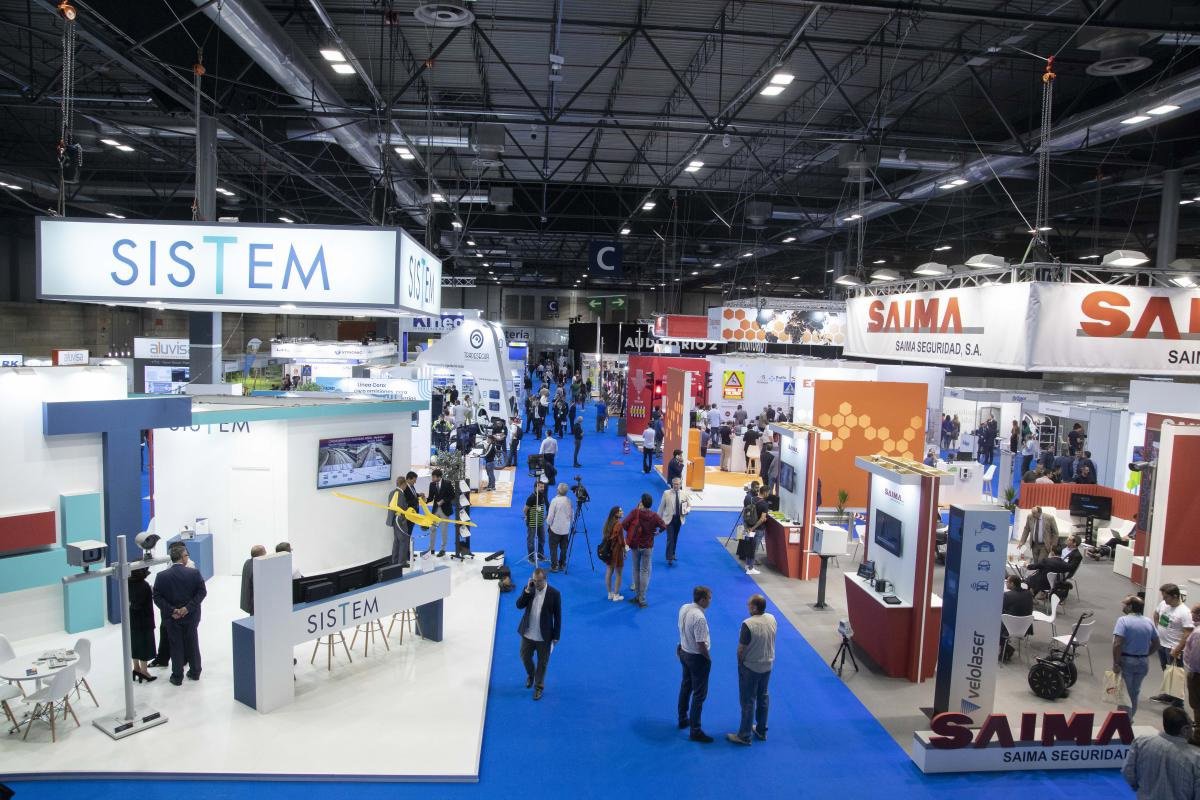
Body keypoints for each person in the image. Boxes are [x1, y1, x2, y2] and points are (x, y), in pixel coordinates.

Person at [152, 543, 207, 686]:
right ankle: (195, 672)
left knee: (175, 646)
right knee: (192, 643)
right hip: (191, 616)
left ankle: (177, 677)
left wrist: (172, 611)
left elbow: (157, 597)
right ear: (182, 557)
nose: (187, 557)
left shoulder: (161, 576)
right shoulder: (194, 573)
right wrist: (187, 608)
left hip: (172, 619)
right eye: (186, 555)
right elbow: (202, 592)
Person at [728, 593, 776, 745]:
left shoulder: (748, 624)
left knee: (748, 701)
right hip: (767, 665)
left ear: (754, 608)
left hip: (751, 667)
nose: (747, 607)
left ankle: (744, 735)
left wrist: (740, 663)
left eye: (749, 604)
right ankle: (761, 730)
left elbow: (741, 649)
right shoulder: (772, 618)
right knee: (763, 697)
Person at [1122, 706, 1200, 799]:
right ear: (1185, 729)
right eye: (1192, 725)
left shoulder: (1141, 742)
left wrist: (1141, 790)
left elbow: (1127, 772)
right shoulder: (1195, 758)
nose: (1193, 729)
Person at [516, 568, 561, 701]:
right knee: (524, 657)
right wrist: (526, 591)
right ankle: (531, 675)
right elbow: (519, 605)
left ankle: (539, 686)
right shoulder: (529, 589)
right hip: (528, 633)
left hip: (544, 636)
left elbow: (558, 616)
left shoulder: (554, 594)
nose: (536, 584)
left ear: (545, 579)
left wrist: (556, 635)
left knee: (542, 662)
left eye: (539, 581)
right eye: (534, 581)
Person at [1113, 594, 1160, 719]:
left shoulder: (1123, 621)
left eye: (1125, 604)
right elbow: (1157, 643)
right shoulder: (1148, 622)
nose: (1123, 606)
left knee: (1124, 693)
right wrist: (1145, 654)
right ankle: (1129, 719)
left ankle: (1123, 722)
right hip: (1143, 662)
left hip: (1127, 661)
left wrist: (1116, 663)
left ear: (1130, 607)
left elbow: (1117, 643)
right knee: (1134, 692)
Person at [678, 585, 713, 743]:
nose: (711, 601)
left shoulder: (684, 607)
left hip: (684, 652)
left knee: (686, 687)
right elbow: (701, 644)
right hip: (697, 658)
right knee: (699, 694)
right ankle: (695, 730)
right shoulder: (699, 618)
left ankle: (682, 718)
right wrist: (708, 658)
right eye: (709, 598)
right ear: (703, 599)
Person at [1151, 583, 1194, 706]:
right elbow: (1156, 614)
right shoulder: (1164, 604)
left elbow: (1187, 632)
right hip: (1162, 644)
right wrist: (1157, 629)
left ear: (1175, 596)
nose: (1164, 599)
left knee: (1176, 675)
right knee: (1166, 671)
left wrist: (1178, 649)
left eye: (1166, 597)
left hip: (1173, 648)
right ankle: (1168, 695)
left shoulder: (1184, 612)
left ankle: (1178, 702)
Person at [622, 492, 667, 608]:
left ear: (642, 502)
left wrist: (630, 531)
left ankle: (637, 596)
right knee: (645, 571)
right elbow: (663, 526)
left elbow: (624, 524)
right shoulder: (654, 516)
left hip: (635, 545)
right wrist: (657, 532)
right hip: (648, 546)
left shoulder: (635, 512)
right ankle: (642, 598)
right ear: (651, 504)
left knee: (636, 570)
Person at [129, 567, 157, 683]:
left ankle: (136, 668)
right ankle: (144, 671)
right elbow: (142, 603)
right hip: (145, 621)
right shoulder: (144, 586)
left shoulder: (127, 583)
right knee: (144, 645)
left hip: (132, 620)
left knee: (135, 644)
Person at [999, 575, 1033, 662]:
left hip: (1010, 627)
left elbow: (999, 609)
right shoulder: (1029, 593)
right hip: (1025, 628)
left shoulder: (1007, 595)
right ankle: (1005, 650)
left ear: (1012, 584)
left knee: (993, 627)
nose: (1006, 583)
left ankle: (1007, 649)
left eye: (1007, 582)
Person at [658, 477, 691, 566]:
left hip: (679, 519)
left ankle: (673, 553)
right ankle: (669, 558)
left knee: (675, 537)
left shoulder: (684, 494)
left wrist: (687, 510)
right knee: (670, 538)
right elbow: (661, 507)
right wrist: (657, 520)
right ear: (672, 484)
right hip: (669, 520)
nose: (676, 486)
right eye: (675, 484)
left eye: (678, 484)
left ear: (680, 484)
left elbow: (689, 505)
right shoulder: (666, 493)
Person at [424, 468, 455, 556]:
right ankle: (431, 548)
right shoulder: (432, 484)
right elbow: (430, 497)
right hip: (435, 510)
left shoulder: (447, 483)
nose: (432, 479)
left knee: (444, 530)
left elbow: (452, 495)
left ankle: (443, 549)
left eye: (433, 477)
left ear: (439, 477)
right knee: (432, 528)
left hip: (445, 510)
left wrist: (443, 500)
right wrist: (424, 500)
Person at [742, 485, 771, 575]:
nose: (768, 494)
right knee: (754, 549)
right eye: (768, 492)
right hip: (757, 529)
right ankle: (750, 568)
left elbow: (746, 512)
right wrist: (753, 528)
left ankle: (747, 565)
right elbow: (762, 519)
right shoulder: (764, 504)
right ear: (765, 492)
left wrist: (748, 527)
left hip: (748, 527)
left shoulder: (751, 499)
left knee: (749, 547)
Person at [546, 483, 574, 573]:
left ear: (558, 490)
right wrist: (569, 524)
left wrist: (548, 524)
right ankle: (562, 564)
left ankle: (554, 566)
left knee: (553, 548)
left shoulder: (554, 501)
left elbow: (550, 516)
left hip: (555, 529)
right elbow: (572, 515)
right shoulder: (569, 501)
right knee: (564, 548)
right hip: (565, 530)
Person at [386, 474, 414, 566]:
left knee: (396, 541)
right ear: (403, 484)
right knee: (403, 541)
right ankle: (402, 563)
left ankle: (395, 561)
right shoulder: (400, 494)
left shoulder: (392, 493)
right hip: (400, 521)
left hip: (393, 520)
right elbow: (402, 508)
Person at [601, 505, 626, 601]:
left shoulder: (607, 523)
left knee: (609, 571)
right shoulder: (619, 525)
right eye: (620, 511)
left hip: (608, 551)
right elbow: (621, 541)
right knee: (618, 573)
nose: (622, 512)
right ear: (616, 514)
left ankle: (609, 593)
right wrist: (624, 551)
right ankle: (616, 595)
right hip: (617, 551)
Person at [523, 481, 548, 564]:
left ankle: (540, 555)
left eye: (543, 487)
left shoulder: (543, 496)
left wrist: (545, 516)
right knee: (531, 540)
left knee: (542, 539)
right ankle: (531, 557)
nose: (542, 488)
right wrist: (526, 517)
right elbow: (525, 509)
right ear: (535, 488)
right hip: (532, 523)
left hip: (540, 522)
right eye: (540, 487)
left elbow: (544, 506)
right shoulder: (531, 497)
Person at [239, 543, 266, 615]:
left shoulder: (247, 562)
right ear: (261, 555)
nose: (266, 554)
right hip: (254, 604)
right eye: (264, 552)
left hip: (248, 601)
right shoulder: (256, 567)